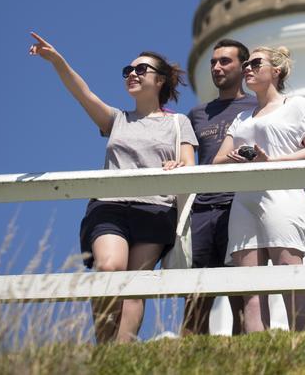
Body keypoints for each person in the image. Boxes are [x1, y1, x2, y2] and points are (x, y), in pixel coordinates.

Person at [28, 32, 197, 343]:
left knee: (135, 287)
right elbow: (83, 94)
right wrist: (56, 60)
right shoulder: (117, 120)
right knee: (108, 268)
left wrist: (179, 165)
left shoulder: (179, 123)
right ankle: (105, 350)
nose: (132, 74)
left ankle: (121, 354)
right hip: (110, 205)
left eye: (141, 69)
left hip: (156, 208)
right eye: (127, 71)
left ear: (160, 81)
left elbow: (189, 162)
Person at [214, 46, 305, 332]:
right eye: (246, 66)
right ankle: (258, 354)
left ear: (276, 71)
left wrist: (273, 160)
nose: (247, 69)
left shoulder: (297, 105)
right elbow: (218, 159)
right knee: (250, 287)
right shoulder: (241, 118)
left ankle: (303, 347)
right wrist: (238, 156)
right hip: (244, 199)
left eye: (255, 63)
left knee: (290, 275)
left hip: (283, 194)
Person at [181, 39, 256, 335]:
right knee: (195, 291)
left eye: (225, 61)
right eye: (213, 62)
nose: (216, 67)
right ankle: (188, 356)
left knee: (240, 289)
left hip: (241, 205)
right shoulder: (197, 114)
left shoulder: (257, 106)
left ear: (244, 66)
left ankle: (241, 358)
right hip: (201, 208)